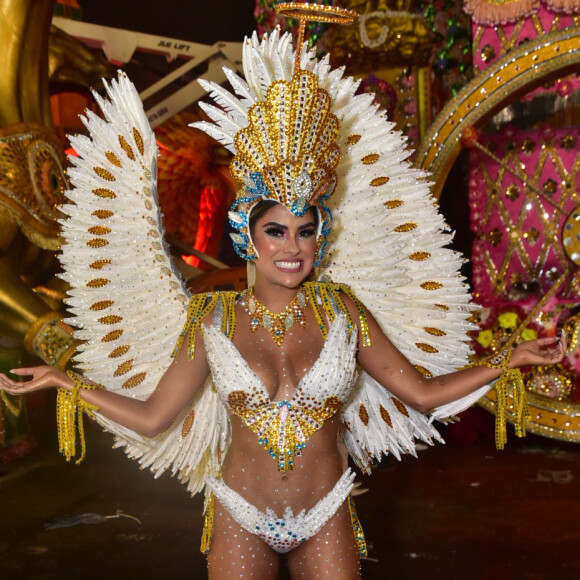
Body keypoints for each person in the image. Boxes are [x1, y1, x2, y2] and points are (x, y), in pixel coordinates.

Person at [0, 5, 567, 579]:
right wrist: (66, 382)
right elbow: (152, 417)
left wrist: (505, 361)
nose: (291, 247)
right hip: (239, 512)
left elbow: (421, 394)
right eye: (275, 231)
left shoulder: (342, 310)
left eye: (305, 231)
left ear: (320, 237)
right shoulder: (212, 316)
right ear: (249, 236)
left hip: (325, 512)